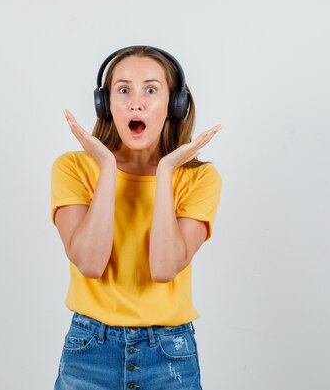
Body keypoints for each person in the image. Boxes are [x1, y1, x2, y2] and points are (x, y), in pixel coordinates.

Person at [51, 45, 222, 389]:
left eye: (151, 89)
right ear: (106, 103)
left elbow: (163, 268)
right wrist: (108, 168)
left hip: (170, 355)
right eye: (123, 89)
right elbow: (89, 263)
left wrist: (165, 170)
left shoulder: (198, 179)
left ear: (175, 105)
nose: (136, 102)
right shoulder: (73, 167)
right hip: (89, 351)